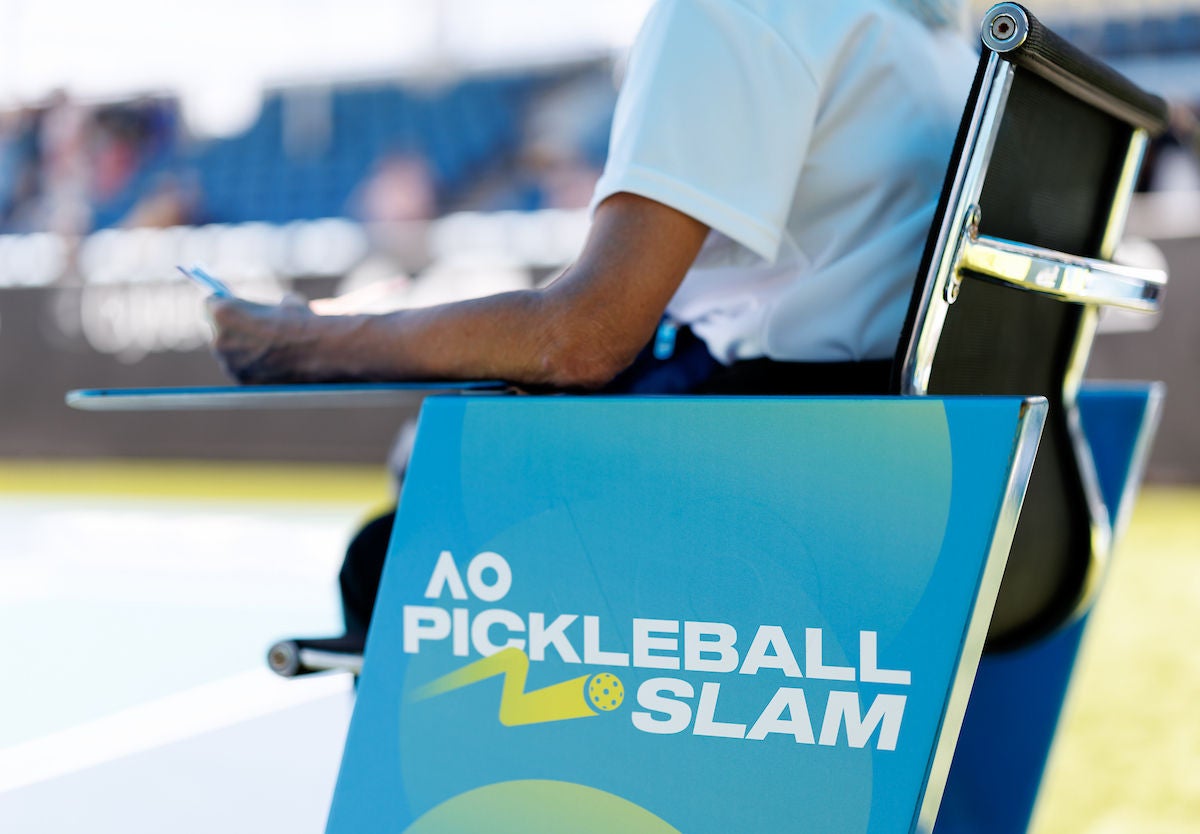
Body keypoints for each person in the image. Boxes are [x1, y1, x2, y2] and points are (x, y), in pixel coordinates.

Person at [209, 0, 977, 647]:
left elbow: (582, 337)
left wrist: (307, 343)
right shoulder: (937, 36)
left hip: (781, 493)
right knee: (455, 460)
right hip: (913, 481)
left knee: (394, 555)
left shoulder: (733, 12)